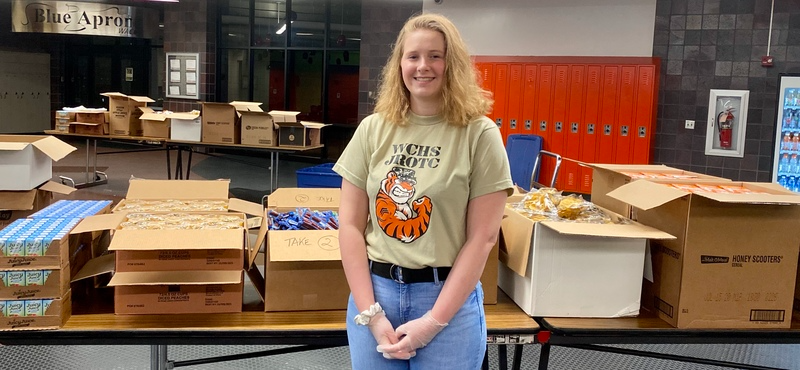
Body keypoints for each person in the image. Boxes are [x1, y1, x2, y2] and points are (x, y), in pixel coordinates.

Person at [333, 12, 513, 369]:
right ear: (399, 63)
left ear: (453, 64)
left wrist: (433, 322)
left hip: (446, 300)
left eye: (435, 56)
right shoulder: (373, 129)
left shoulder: (479, 134)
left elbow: (483, 237)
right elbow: (350, 226)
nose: (422, 66)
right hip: (376, 295)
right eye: (412, 56)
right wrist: (372, 314)